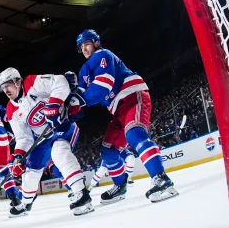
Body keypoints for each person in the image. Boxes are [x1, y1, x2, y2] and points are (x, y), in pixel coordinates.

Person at [75, 29, 178, 203]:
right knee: (108, 152)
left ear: (96, 42)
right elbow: (79, 99)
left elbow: (102, 85)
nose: (84, 49)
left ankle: (161, 179)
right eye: (81, 47)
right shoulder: (84, 70)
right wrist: (66, 104)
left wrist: (78, 100)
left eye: (86, 44)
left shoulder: (102, 55)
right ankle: (120, 186)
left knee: (135, 134)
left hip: (132, 96)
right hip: (118, 110)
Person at [0, 68, 94, 217]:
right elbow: (24, 138)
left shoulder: (31, 82)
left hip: (62, 124)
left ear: (18, 81)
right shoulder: (11, 110)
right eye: (2, 87)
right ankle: (26, 203)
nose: (6, 90)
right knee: (30, 169)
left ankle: (82, 195)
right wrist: (18, 157)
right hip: (42, 138)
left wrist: (54, 104)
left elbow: (60, 82)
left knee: (59, 152)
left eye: (7, 85)